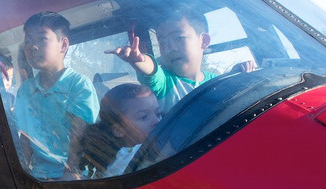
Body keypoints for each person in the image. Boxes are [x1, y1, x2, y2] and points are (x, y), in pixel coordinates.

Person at [107, 6, 254, 112]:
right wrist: (138, 60)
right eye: (162, 42)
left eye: (178, 38)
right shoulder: (164, 83)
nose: (170, 48)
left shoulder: (217, 82)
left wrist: (233, 79)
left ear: (204, 41)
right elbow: (151, 70)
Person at [13, 11, 99, 179]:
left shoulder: (79, 85)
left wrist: (71, 174)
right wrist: (21, 172)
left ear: (63, 45)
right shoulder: (25, 91)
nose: (32, 46)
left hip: (75, 176)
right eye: (28, 41)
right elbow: (25, 138)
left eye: (42, 38)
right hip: (38, 177)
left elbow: (80, 136)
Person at [74, 84, 161, 177]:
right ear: (118, 130)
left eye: (158, 113)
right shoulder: (132, 158)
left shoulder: (111, 160)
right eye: (143, 117)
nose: (157, 121)